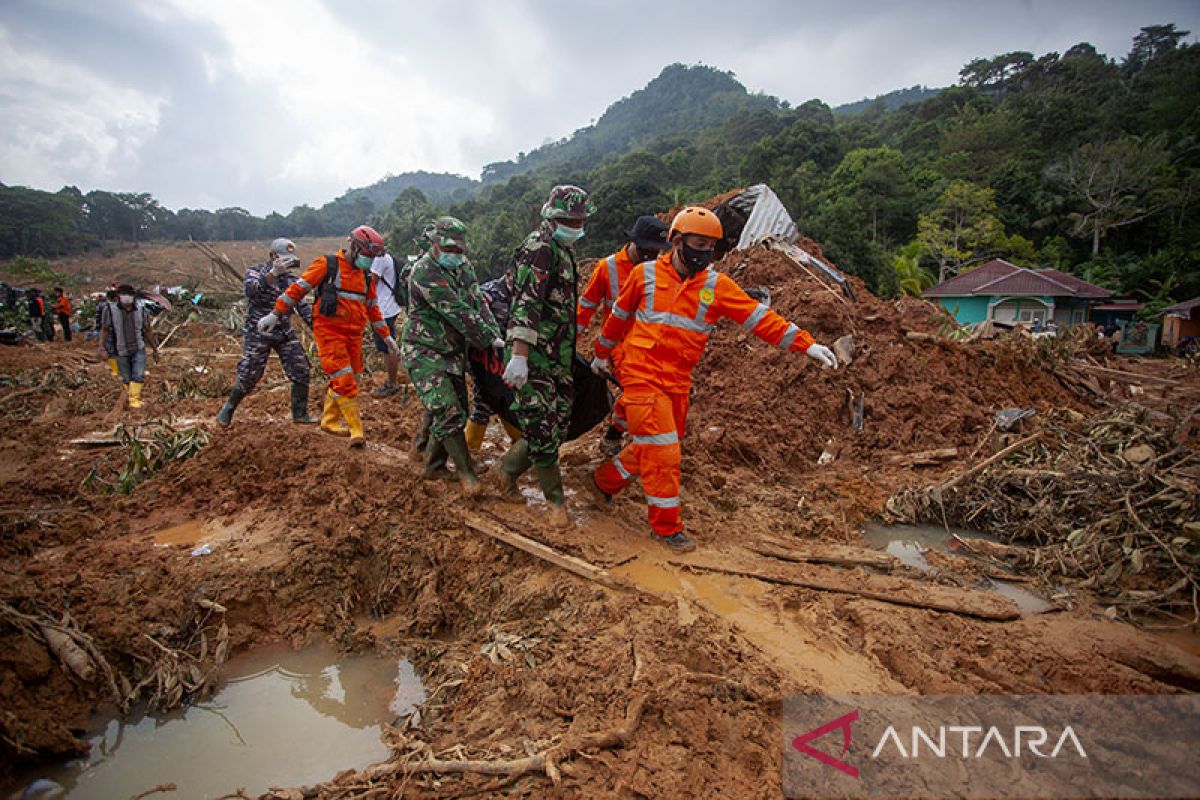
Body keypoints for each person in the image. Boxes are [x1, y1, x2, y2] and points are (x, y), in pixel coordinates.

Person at [589, 207, 841, 553]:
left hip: (677, 380)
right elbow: (618, 317)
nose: (703, 253)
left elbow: (759, 318)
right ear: (676, 241)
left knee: (654, 445)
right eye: (697, 244)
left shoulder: (715, 286)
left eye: (710, 246)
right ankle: (666, 528)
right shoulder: (644, 276)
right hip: (641, 373)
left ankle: (603, 481)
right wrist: (601, 354)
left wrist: (807, 344)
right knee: (665, 452)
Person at [497, 184, 594, 527]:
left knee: (556, 426)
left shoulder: (562, 250)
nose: (575, 225)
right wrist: (520, 356)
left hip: (559, 357)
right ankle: (556, 503)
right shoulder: (539, 248)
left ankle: (505, 472)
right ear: (551, 217)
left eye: (580, 220)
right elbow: (526, 303)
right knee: (541, 428)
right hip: (535, 357)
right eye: (568, 219)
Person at [259, 225, 393, 447]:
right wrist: (275, 314)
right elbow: (298, 289)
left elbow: (373, 309)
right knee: (344, 378)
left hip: (354, 334)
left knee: (355, 375)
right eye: (367, 256)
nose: (370, 261)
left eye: (372, 258)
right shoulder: (327, 264)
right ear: (354, 247)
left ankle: (329, 420)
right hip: (329, 332)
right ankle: (356, 430)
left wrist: (386, 337)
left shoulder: (366, 277)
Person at [401, 216, 503, 493]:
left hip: (452, 351)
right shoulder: (424, 271)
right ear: (434, 244)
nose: (455, 255)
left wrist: (495, 336)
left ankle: (432, 464)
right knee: (446, 408)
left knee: (456, 407)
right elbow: (457, 310)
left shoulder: (464, 266)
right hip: (423, 348)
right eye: (449, 249)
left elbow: (478, 301)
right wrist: (485, 338)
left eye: (459, 250)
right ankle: (466, 472)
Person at [576, 215, 670, 456]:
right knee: (636, 392)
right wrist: (570, 342)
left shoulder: (661, 268)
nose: (653, 255)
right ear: (634, 243)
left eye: (657, 251)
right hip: (619, 345)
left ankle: (619, 431)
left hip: (651, 342)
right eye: (648, 250)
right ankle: (614, 437)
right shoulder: (608, 268)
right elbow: (586, 307)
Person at [216, 238, 317, 426]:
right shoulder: (255, 272)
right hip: (258, 331)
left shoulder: (291, 280)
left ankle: (300, 414)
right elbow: (251, 291)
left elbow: (302, 306)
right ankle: (228, 408)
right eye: (283, 259)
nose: (287, 263)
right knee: (250, 374)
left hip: (283, 331)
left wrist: (317, 327)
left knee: (301, 368)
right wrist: (272, 274)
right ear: (272, 256)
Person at [464, 275, 524, 450]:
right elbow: (471, 322)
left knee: (507, 399)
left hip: (509, 358)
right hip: (484, 359)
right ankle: (470, 449)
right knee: (484, 402)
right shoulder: (488, 293)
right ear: (508, 275)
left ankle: (519, 442)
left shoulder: (524, 296)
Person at [99, 284, 159, 409]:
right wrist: (101, 346)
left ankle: (134, 401)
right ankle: (129, 398)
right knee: (126, 377)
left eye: (129, 295)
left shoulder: (141, 310)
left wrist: (154, 348)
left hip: (138, 347)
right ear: (118, 296)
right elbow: (105, 329)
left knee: (138, 374)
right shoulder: (110, 310)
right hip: (120, 349)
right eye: (124, 295)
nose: (127, 298)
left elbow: (148, 330)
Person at [369, 251, 405, 397]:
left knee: (387, 347)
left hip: (383, 309)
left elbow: (371, 282)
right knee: (387, 346)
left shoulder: (379, 258)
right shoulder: (384, 256)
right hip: (389, 306)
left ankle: (392, 384)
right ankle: (393, 380)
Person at [97, 288, 120, 377]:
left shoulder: (108, 308)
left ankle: (115, 371)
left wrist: (101, 343)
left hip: (112, 333)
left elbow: (105, 327)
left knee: (112, 352)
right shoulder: (125, 306)